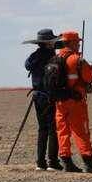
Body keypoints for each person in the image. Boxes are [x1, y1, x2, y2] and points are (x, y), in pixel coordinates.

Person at [55, 30, 92, 173]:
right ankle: (88, 163)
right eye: (77, 42)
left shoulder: (57, 58)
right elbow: (89, 77)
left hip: (60, 101)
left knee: (62, 131)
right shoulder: (76, 59)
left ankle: (66, 161)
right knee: (81, 131)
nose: (78, 45)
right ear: (71, 43)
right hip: (75, 101)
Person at [23, 29, 62, 171]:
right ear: (48, 43)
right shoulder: (51, 56)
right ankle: (52, 161)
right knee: (53, 129)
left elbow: (27, 65)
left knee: (42, 129)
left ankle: (40, 162)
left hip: (37, 96)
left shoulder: (34, 56)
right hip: (49, 96)